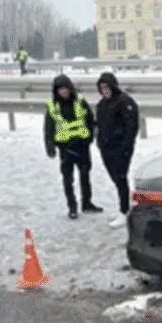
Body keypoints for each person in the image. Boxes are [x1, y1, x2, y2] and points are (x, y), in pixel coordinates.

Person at [43, 74, 103, 219]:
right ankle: (72, 207)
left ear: (70, 88)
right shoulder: (53, 106)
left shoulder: (80, 101)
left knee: (85, 176)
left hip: (82, 145)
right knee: (68, 179)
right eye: (60, 89)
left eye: (65, 88)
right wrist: (49, 145)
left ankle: (87, 203)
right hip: (65, 148)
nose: (63, 92)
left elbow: (90, 119)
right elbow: (49, 127)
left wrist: (89, 137)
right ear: (56, 91)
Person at [94, 71, 139, 228]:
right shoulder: (101, 105)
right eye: (101, 87)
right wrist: (99, 141)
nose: (104, 90)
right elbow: (98, 125)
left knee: (121, 178)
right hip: (106, 148)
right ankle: (124, 206)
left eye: (107, 87)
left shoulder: (124, 102)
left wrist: (125, 147)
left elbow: (131, 127)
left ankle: (124, 210)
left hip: (121, 148)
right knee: (115, 178)